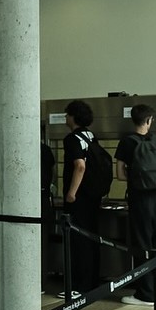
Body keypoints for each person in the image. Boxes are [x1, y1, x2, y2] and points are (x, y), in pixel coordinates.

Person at [115, 104, 156, 307]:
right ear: (149, 120)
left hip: (139, 199)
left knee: (142, 244)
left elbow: (119, 174)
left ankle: (145, 294)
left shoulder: (127, 142)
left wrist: (136, 179)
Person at [60, 100, 103, 299]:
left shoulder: (72, 139)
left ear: (73, 117)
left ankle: (78, 285)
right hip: (93, 196)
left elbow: (80, 166)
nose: (66, 118)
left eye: (67, 114)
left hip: (79, 198)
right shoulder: (91, 136)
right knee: (91, 238)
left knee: (77, 241)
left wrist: (71, 193)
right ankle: (92, 281)